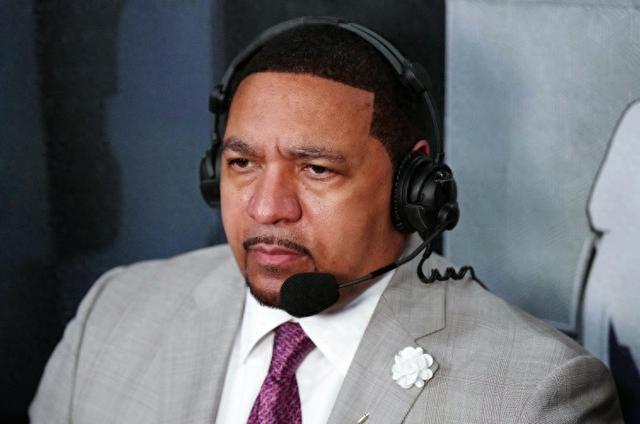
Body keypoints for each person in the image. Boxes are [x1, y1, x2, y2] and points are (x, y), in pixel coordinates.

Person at [30, 17, 622, 423]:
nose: (266, 207)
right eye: (241, 163)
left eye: (316, 169)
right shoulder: (114, 313)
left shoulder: (537, 395)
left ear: (412, 187)